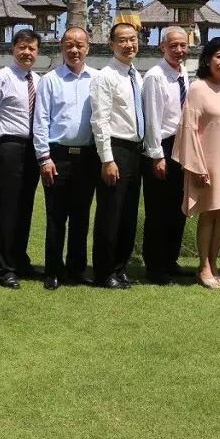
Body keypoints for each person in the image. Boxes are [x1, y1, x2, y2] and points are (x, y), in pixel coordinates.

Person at [173, 36, 220, 289]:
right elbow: (188, 129)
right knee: (208, 213)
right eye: (219, 56)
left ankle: (214, 263)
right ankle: (203, 267)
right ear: (207, 59)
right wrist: (197, 166)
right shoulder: (197, 88)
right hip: (206, 163)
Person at [33, 27, 99, 290]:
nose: (74, 50)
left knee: (81, 216)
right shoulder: (50, 80)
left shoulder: (97, 79)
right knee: (56, 216)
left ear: (88, 48)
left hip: (88, 156)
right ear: (61, 47)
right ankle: (53, 270)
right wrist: (44, 158)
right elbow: (41, 120)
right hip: (57, 155)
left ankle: (76, 269)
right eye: (69, 45)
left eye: (79, 45)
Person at [0, 29, 43, 289]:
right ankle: (4, 268)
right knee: (7, 208)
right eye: (22, 47)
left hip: (32, 148)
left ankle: (20, 260)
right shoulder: (1, 77)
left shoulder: (38, 80)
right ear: (13, 49)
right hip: (8, 146)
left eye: (32, 48)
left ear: (38, 52)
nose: (27, 52)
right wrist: (0, 138)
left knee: (25, 206)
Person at [90, 23, 145, 289]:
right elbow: (99, 120)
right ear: (111, 44)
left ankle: (120, 267)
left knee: (128, 214)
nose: (128, 45)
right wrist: (107, 159)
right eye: (122, 40)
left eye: (132, 39)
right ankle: (104, 272)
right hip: (116, 149)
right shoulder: (106, 76)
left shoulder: (136, 75)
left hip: (135, 150)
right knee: (110, 214)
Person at [140, 27, 191, 284]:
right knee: (158, 210)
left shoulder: (184, 73)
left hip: (182, 145)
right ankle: (155, 266)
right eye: (173, 46)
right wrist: (157, 156)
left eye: (183, 45)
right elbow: (152, 120)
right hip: (161, 146)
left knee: (178, 209)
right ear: (162, 47)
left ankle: (170, 260)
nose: (179, 50)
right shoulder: (155, 76)